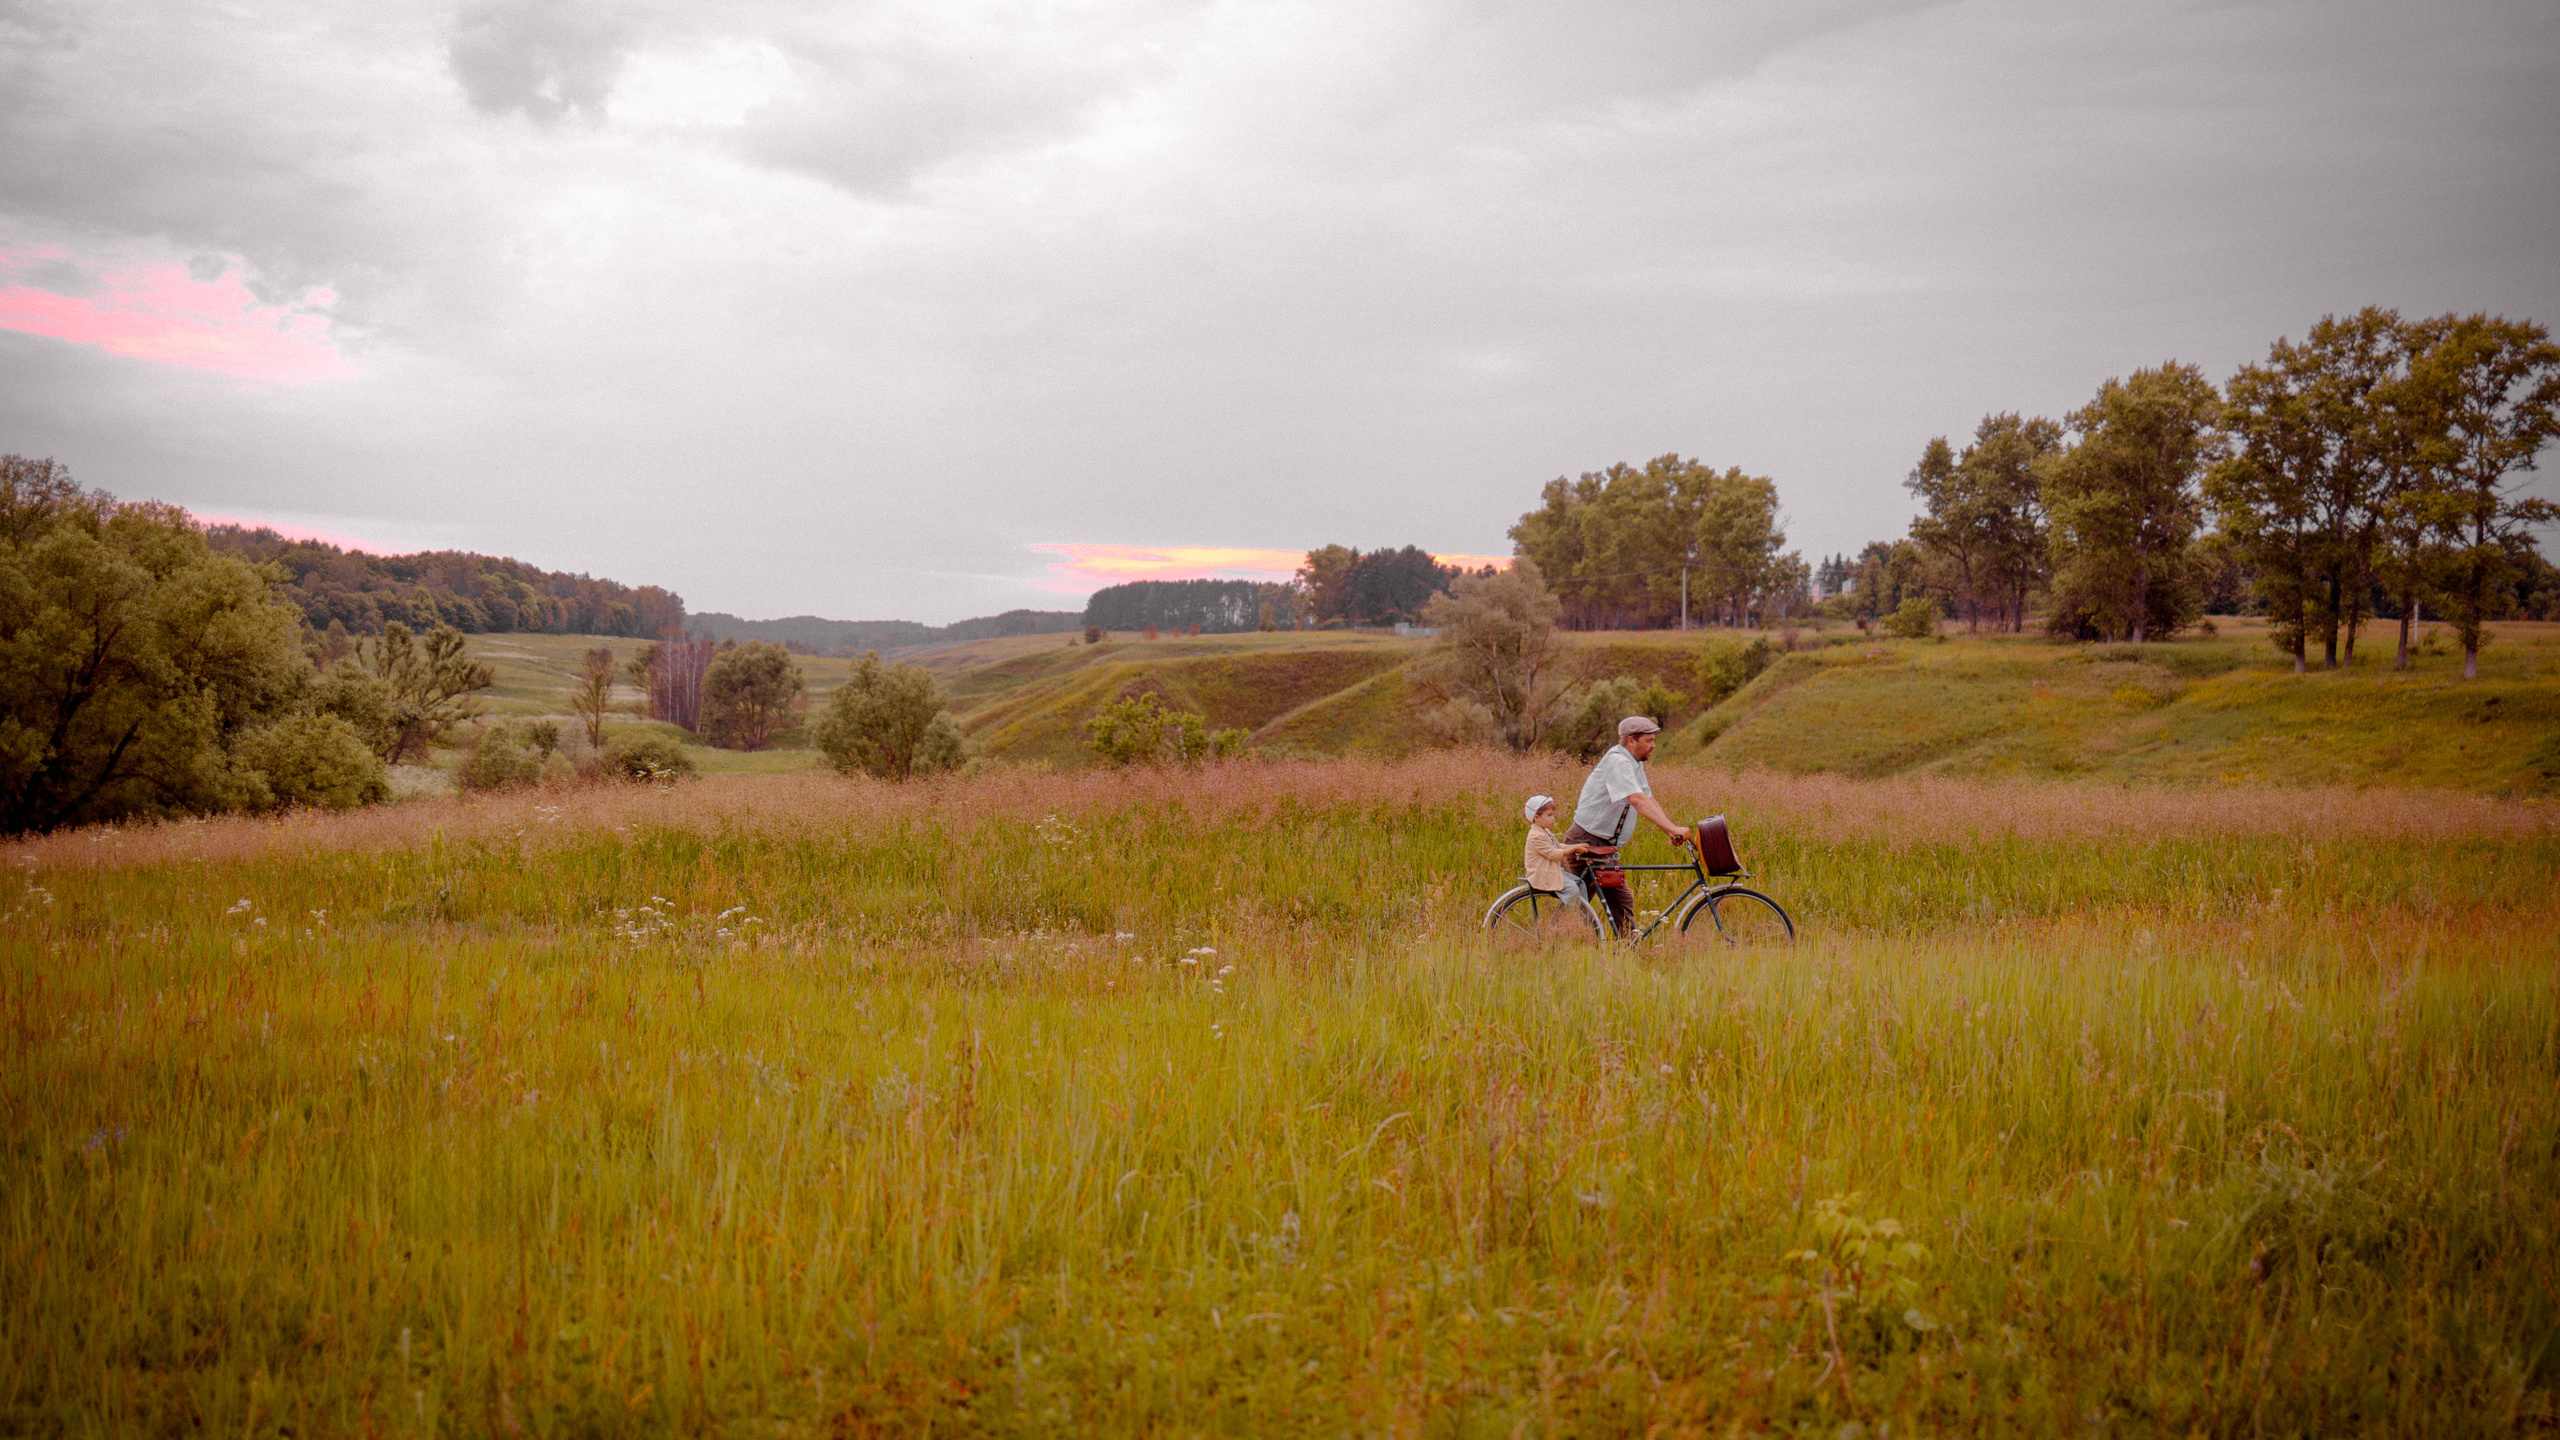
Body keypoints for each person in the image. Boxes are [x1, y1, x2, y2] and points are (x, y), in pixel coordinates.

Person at [1562, 715, 1688, 935]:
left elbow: (1647, 798)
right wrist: (1673, 829)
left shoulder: (1633, 764)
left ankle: (1624, 950)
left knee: (1610, 903)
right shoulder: (1618, 762)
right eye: (1648, 741)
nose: (1653, 745)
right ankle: (1557, 945)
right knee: (1581, 904)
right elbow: (1637, 800)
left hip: (1603, 845)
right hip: (1587, 841)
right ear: (1631, 741)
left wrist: (1670, 829)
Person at [1520, 794, 1592, 908]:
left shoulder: (1545, 831)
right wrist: (1574, 849)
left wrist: (1576, 845)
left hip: (1554, 871)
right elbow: (1554, 854)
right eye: (1549, 815)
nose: (1553, 818)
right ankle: (1568, 919)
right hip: (1544, 874)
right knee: (1572, 889)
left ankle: (1584, 918)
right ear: (1536, 818)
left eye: (1553, 815)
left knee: (1580, 884)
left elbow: (1558, 847)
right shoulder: (1535, 836)